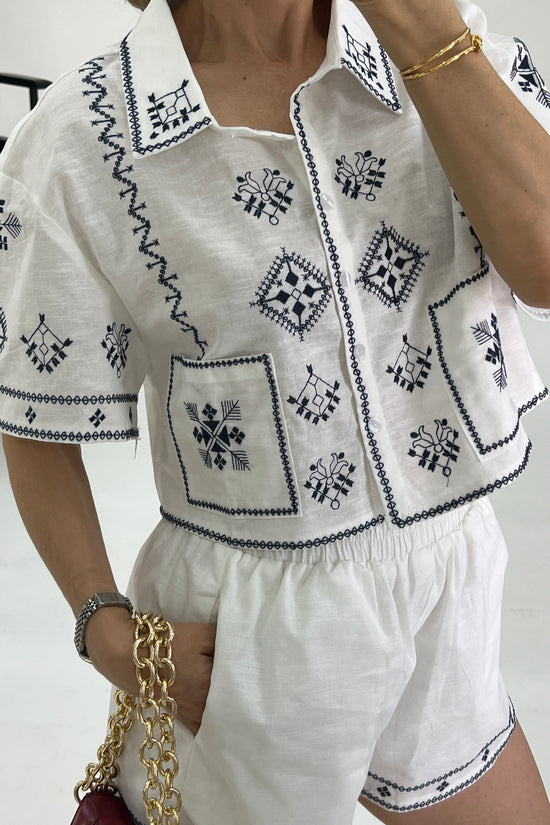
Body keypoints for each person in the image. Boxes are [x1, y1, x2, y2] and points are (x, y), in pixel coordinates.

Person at [1, 0, 550, 822]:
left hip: (450, 587)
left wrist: (427, 36)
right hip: (249, 641)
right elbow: (33, 418)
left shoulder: (444, 47)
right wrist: (102, 624)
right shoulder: (86, 137)